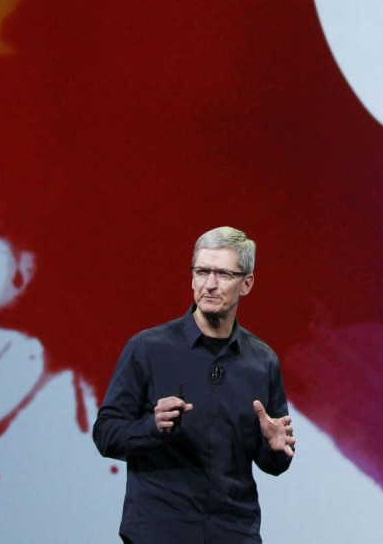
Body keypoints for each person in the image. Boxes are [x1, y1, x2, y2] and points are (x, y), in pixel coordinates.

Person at [93, 226, 295, 544]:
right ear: (192, 277)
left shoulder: (262, 361)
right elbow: (106, 434)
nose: (210, 285)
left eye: (223, 274)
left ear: (247, 283)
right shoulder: (147, 349)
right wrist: (152, 426)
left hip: (233, 533)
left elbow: (274, 462)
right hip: (160, 531)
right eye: (202, 272)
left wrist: (275, 449)